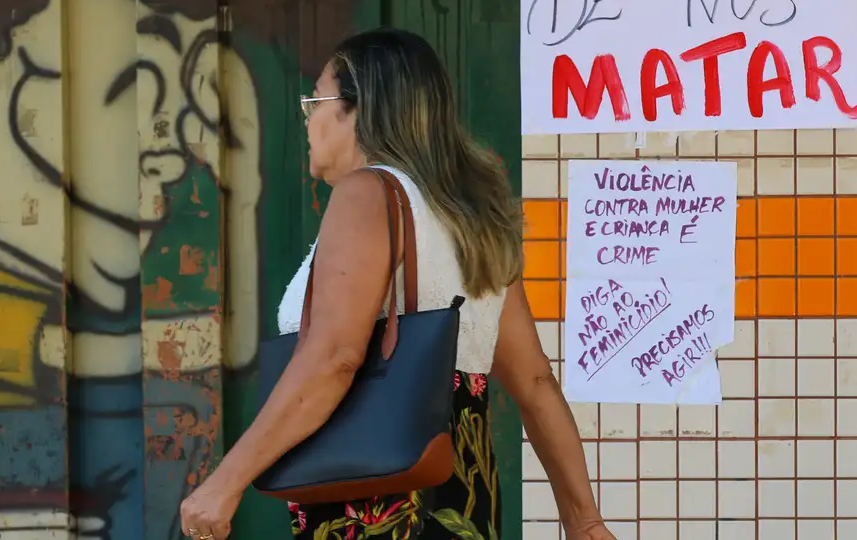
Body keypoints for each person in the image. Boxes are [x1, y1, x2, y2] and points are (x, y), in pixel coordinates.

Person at [180, 28, 614, 539]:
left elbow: (334, 357)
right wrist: (585, 522)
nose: (307, 120)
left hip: (379, 502)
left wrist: (225, 482)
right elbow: (536, 383)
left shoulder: (367, 193)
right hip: (466, 500)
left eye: (314, 102)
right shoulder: (476, 219)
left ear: (358, 110)